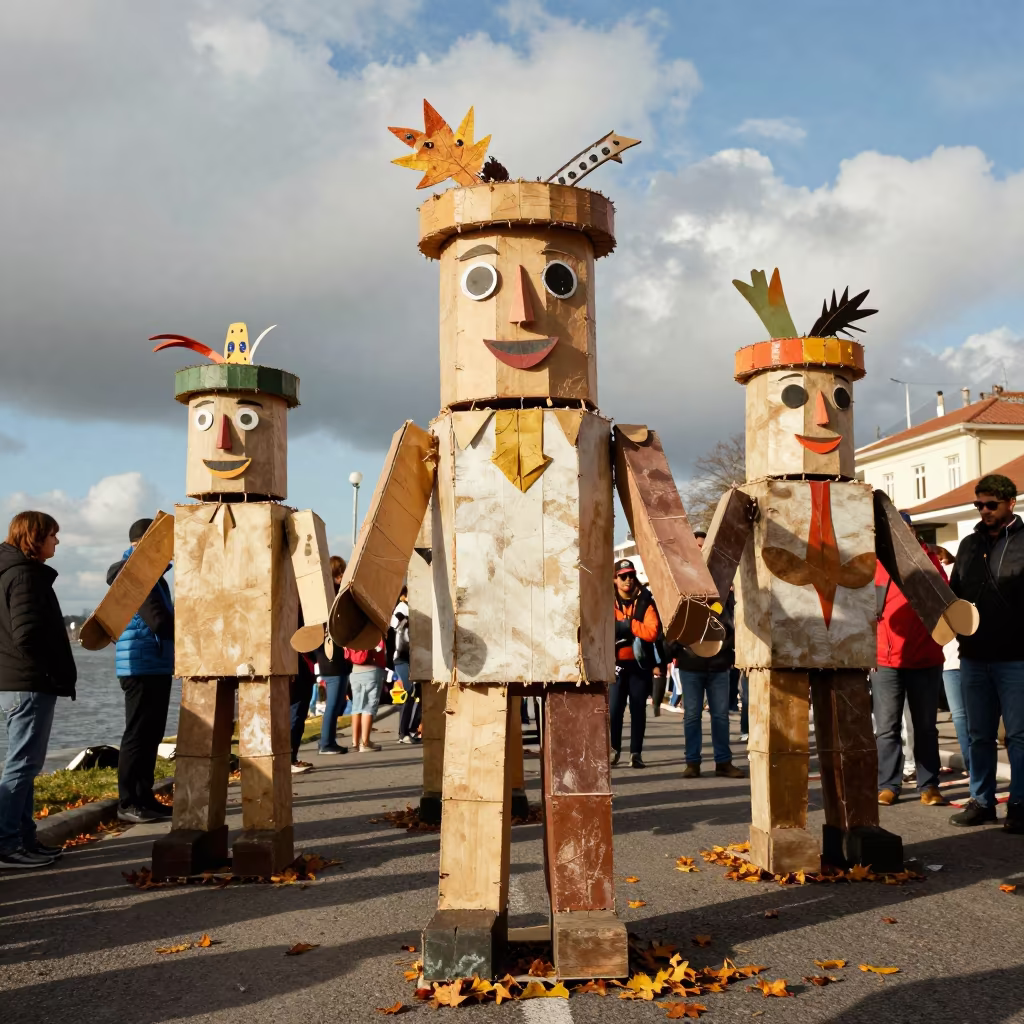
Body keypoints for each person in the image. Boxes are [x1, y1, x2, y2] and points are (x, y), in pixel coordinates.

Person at [0, 512, 77, 869]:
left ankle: (24, 838)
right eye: (52, 535)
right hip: (28, 683)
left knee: (26, 766)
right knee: (22, 765)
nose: (57, 542)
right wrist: (50, 669)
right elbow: (27, 634)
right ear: (35, 537)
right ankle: (7, 843)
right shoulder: (26, 576)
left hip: (14, 682)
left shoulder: (9, 572)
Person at [949, 474, 1024, 832]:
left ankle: (1021, 805)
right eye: (979, 504)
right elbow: (953, 597)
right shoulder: (967, 545)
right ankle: (981, 801)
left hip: (1016, 656)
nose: (984, 510)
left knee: (1019, 735)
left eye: (991, 504)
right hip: (973, 657)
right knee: (978, 734)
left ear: (1011, 503)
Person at [872, 514, 947, 807]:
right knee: (887, 727)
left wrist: (922, 553)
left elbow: (945, 596)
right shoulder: (873, 562)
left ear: (912, 530)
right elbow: (862, 607)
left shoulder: (927, 560)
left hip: (925, 657)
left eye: (904, 530)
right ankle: (888, 784)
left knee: (925, 726)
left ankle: (929, 785)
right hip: (884, 659)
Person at [107, 518, 175, 824]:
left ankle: (144, 797)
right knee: (138, 733)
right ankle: (129, 801)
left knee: (151, 734)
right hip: (141, 663)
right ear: (143, 544)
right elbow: (158, 621)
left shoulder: (152, 576)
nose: (168, 551)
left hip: (153, 661)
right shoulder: (137, 574)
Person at [674, 592, 745, 779]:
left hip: (718, 665)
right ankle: (692, 763)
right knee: (692, 715)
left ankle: (723, 762)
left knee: (720, 716)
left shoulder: (725, 597)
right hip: (691, 665)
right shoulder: (685, 594)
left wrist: (725, 649)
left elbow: (735, 625)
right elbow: (672, 625)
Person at [610, 559, 661, 769]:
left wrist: (628, 625)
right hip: (615, 664)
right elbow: (604, 628)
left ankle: (636, 753)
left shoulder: (645, 600)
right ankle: (613, 750)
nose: (628, 580)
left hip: (639, 666)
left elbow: (652, 632)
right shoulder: (606, 601)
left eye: (631, 575)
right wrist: (624, 628)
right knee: (614, 710)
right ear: (615, 579)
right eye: (623, 576)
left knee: (638, 709)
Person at [317, 556, 351, 755]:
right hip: (331, 658)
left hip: (335, 658)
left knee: (338, 702)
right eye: (341, 572)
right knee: (333, 703)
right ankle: (326, 742)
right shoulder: (330, 597)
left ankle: (328, 740)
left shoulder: (333, 595)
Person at [347, 638, 386, 752]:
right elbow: (380, 649)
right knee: (369, 706)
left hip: (355, 670)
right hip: (372, 670)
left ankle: (355, 742)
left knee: (356, 707)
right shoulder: (374, 632)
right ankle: (365, 742)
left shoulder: (352, 632)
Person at [393, 589, 420, 744]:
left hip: (414, 658)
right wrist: (405, 620)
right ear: (403, 596)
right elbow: (394, 623)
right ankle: (403, 733)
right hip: (401, 658)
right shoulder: (401, 608)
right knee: (409, 691)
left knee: (420, 692)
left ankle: (411, 729)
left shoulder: (414, 609)